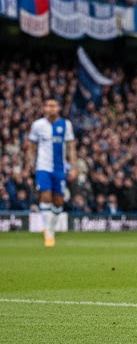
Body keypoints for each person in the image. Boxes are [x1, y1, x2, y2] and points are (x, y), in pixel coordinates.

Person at [26, 97, 76, 247]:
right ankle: (49, 232)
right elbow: (32, 147)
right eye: (48, 105)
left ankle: (50, 228)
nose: (50, 108)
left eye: (53, 105)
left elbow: (70, 147)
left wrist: (73, 166)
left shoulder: (66, 125)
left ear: (58, 108)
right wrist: (29, 165)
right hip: (43, 167)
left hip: (60, 168)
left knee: (59, 202)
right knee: (45, 196)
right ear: (44, 108)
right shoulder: (38, 125)